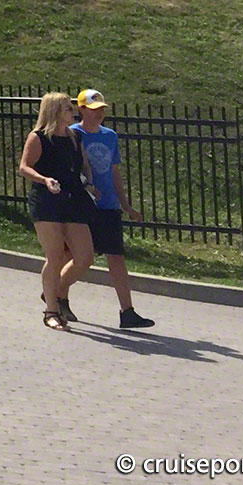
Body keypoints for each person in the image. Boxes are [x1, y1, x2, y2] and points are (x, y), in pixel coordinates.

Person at [71, 89, 156, 330]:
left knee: (116, 257)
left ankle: (127, 312)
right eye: (93, 109)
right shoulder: (73, 134)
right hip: (83, 204)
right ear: (81, 109)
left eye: (101, 110)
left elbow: (114, 172)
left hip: (108, 205)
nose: (99, 114)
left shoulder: (110, 136)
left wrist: (125, 204)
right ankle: (57, 295)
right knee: (75, 256)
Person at [19, 91, 95, 330]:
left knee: (85, 256)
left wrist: (89, 183)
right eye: (67, 108)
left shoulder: (74, 137)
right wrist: (44, 179)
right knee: (55, 256)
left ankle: (54, 291)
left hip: (73, 200)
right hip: (47, 201)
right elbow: (24, 167)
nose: (73, 112)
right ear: (54, 111)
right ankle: (51, 311)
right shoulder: (38, 137)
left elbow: (83, 164)